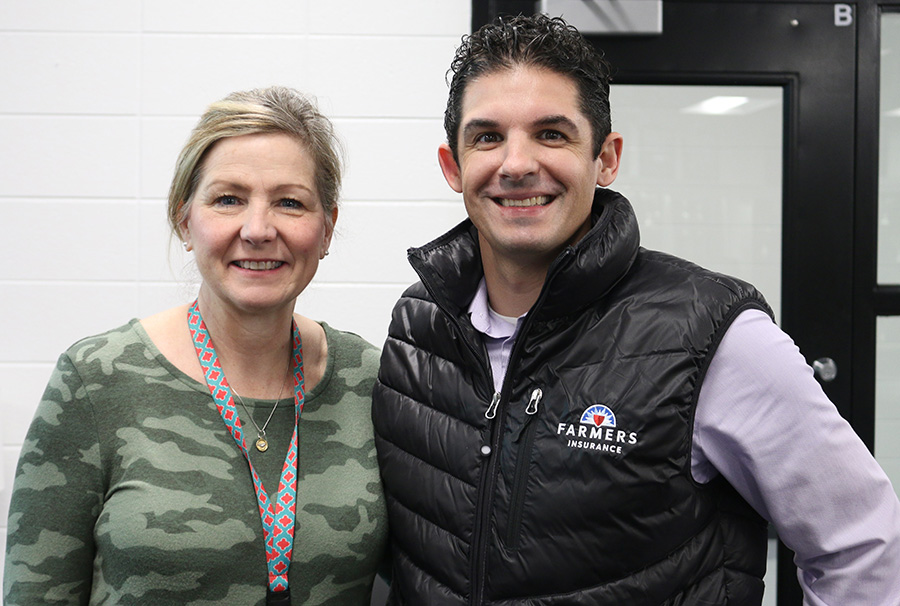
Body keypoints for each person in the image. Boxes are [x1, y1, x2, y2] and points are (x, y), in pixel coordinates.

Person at [372, 14, 900, 605]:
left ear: (606, 159)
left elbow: (861, 542)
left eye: (552, 134)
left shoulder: (712, 334)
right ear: (453, 166)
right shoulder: (419, 326)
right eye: (488, 136)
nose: (516, 164)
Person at [3, 86, 387, 605]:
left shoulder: (370, 379)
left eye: (289, 202)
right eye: (228, 199)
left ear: (326, 229)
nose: (257, 229)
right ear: (186, 221)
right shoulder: (96, 379)